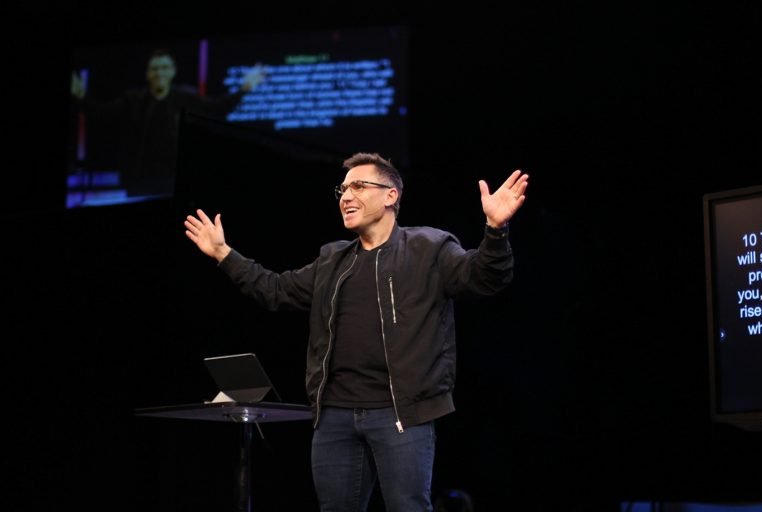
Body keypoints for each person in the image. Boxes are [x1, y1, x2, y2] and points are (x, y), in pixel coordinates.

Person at [183, 152, 528, 511]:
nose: (346, 197)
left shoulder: (429, 248)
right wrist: (224, 254)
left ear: (391, 195)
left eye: (359, 187)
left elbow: (485, 277)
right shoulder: (332, 260)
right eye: (343, 190)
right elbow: (274, 290)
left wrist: (496, 230)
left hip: (401, 414)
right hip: (335, 415)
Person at [71, 48, 264, 198]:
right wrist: (81, 97)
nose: (159, 73)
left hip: (174, 179)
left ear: (172, 71)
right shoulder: (133, 99)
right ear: (148, 73)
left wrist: (244, 89)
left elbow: (217, 108)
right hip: (139, 180)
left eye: (164, 68)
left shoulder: (185, 96)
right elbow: (101, 115)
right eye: (155, 69)